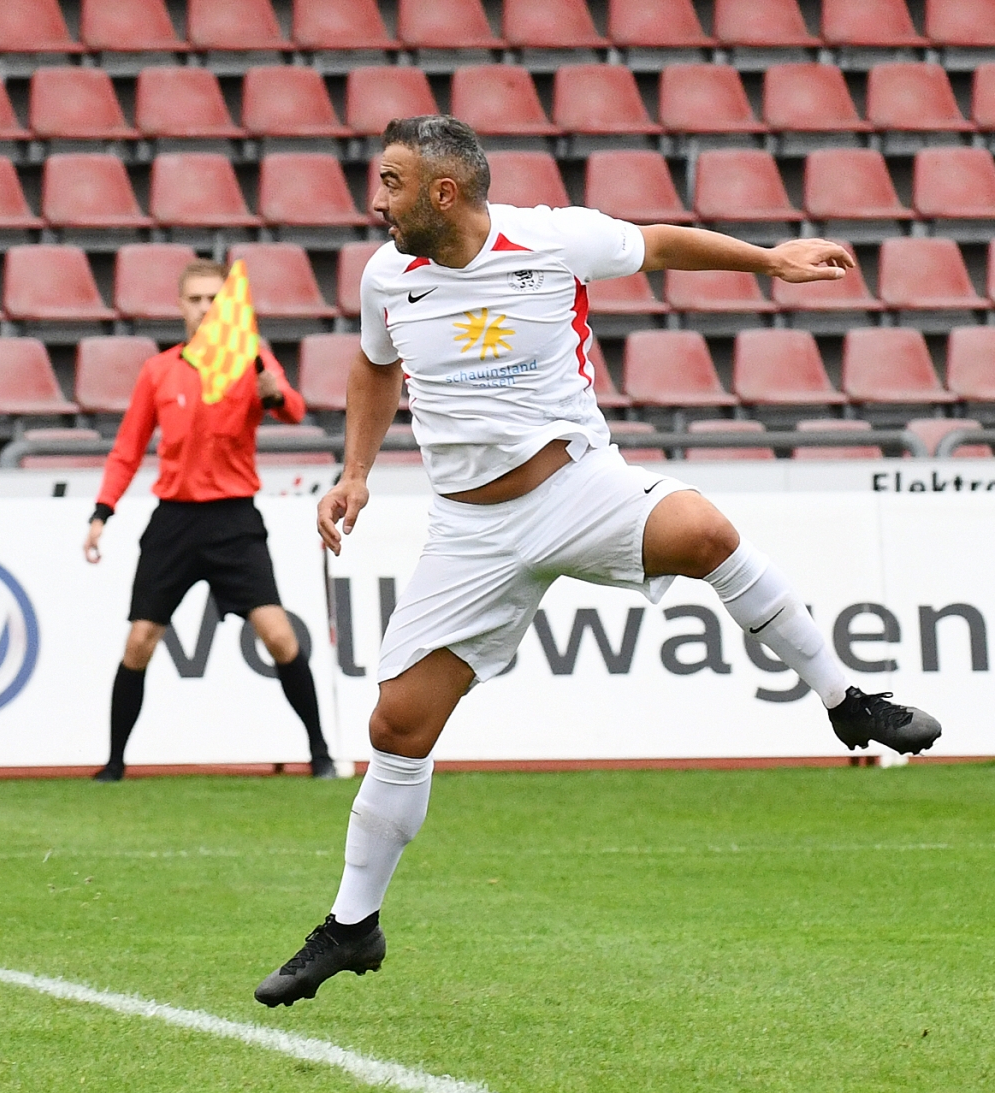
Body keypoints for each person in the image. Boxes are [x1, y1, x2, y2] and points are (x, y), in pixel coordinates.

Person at [253, 117, 942, 1008]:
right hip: (469, 531)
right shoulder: (386, 277)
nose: (377, 200)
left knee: (706, 533)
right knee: (397, 727)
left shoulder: (553, 239)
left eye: (391, 182)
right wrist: (355, 472)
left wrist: (770, 261)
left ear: (443, 193)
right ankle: (354, 925)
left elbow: (661, 244)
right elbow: (374, 366)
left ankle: (848, 700)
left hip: (576, 487)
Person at [83, 259, 335, 782]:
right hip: (173, 522)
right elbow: (127, 449)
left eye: (214, 299)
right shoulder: (159, 370)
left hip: (234, 520)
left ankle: (321, 754)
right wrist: (103, 510)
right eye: (195, 299)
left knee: (280, 636)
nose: (204, 308)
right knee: (139, 641)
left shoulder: (251, 358)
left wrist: (273, 392)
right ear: (181, 306)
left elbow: (291, 408)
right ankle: (114, 764)